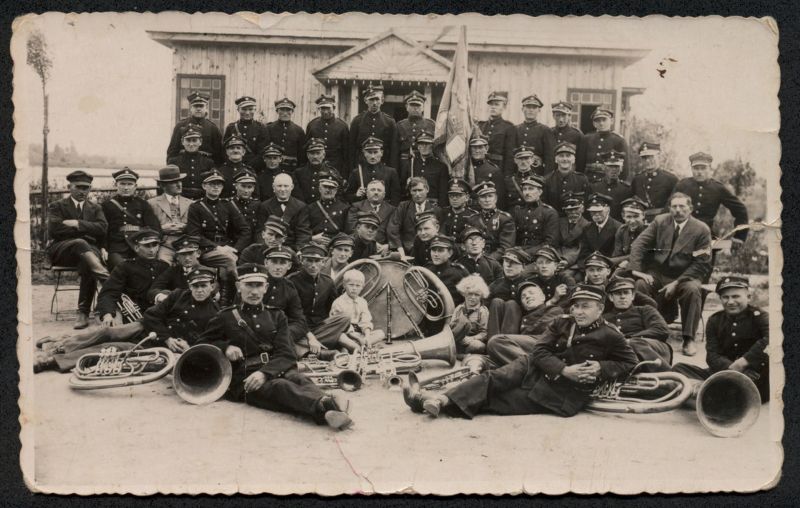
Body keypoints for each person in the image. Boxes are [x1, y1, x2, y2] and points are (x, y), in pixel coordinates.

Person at [411, 285, 638, 419]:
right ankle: (441, 398)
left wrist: (601, 367)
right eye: (576, 306)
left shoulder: (611, 334)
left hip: (560, 394)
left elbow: (630, 362)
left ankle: (430, 401)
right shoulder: (562, 322)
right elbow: (539, 350)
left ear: (600, 309)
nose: (578, 312)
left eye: (586, 306)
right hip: (534, 366)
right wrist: (564, 369)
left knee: (499, 402)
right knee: (495, 378)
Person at [200, 263, 353, 430]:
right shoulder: (226, 317)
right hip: (246, 378)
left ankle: (325, 409)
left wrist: (265, 373)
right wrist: (226, 347)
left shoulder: (277, 315)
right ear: (238, 286)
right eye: (249, 285)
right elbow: (201, 344)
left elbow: (287, 353)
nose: (254, 291)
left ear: (265, 288)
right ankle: (327, 405)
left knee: (299, 379)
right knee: (281, 386)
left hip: (277, 367)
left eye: (259, 285)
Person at [35, 267, 219, 373]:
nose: (199, 290)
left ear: (212, 287)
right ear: (190, 286)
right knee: (107, 331)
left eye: (204, 286)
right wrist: (167, 337)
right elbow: (151, 315)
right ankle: (61, 345)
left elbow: (207, 344)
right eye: (195, 286)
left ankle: (52, 361)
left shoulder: (216, 314)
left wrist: (187, 347)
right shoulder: (178, 295)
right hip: (146, 327)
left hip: (157, 346)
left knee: (110, 349)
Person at [628, 192, 712, 356]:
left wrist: (676, 282)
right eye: (674, 206)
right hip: (659, 272)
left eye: (682, 206)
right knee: (641, 284)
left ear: (690, 208)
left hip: (686, 275)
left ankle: (688, 338)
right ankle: (644, 331)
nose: (678, 210)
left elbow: (701, 263)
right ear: (669, 208)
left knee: (692, 290)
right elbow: (639, 244)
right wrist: (636, 270)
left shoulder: (701, 229)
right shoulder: (660, 221)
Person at [672, 275, 769, 402]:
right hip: (724, 372)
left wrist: (743, 362)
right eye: (725, 297)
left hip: (754, 376)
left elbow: (772, 340)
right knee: (678, 370)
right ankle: (713, 393)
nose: (730, 302)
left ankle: (706, 393)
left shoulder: (760, 317)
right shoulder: (714, 320)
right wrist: (733, 370)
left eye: (736, 296)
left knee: (761, 383)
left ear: (748, 297)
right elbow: (712, 355)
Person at [46, 170, 110, 329]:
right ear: (70, 187)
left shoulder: (95, 208)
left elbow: (103, 228)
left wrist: (77, 224)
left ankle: (83, 312)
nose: (82, 191)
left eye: (86, 188)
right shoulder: (57, 206)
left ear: (90, 188)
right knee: (81, 243)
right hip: (63, 250)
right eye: (78, 187)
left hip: (87, 252)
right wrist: (88, 230)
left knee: (87, 261)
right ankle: (107, 280)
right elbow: (55, 230)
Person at [185, 169, 251, 305]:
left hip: (228, 249)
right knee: (229, 261)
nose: (216, 187)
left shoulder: (227, 205)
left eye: (219, 184)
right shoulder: (196, 207)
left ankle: (225, 301)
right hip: (206, 250)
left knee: (229, 264)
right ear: (204, 186)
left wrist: (235, 249)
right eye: (212, 184)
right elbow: (194, 235)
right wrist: (217, 248)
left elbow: (245, 229)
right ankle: (241, 295)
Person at [286, 244, 353, 357]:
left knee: (345, 318)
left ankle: (309, 347)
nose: (313, 265)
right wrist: (310, 336)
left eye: (317, 261)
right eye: (309, 260)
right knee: (286, 334)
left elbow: (331, 308)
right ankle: (324, 349)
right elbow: (291, 314)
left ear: (323, 262)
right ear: (302, 260)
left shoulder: (328, 282)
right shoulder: (291, 281)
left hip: (320, 326)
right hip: (298, 327)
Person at [95, 228, 169, 327]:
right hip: (134, 318)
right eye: (147, 246)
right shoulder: (125, 267)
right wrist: (107, 313)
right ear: (136, 248)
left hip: (160, 315)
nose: (151, 250)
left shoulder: (164, 267)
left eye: (155, 245)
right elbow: (109, 292)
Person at [674, 151, 749, 247]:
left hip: (706, 235)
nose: (699, 172)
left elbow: (740, 210)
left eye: (703, 168)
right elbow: (668, 209)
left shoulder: (718, 188)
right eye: (696, 168)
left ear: (709, 168)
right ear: (691, 169)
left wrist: (739, 237)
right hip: (682, 235)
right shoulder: (682, 185)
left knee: (709, 255)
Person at [484, 280, 564, 366]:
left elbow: (543, 327)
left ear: (543, 297)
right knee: (487, 356)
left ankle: (535, 367)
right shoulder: (523, 317)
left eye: (531, 293)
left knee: (496, 341)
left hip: (543, 343)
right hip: (526, 348)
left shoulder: (554, 309)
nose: (527, 296)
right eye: (523, 296)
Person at [604, 277, 672, 371]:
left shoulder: (645, 310)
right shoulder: (604, 318)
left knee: (633, 343)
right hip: (622, 353)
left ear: (632, 296)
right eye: (618, 293)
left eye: (626, 293)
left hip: (652, 348)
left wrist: (629, 339)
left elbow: (661, 330)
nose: (622, 297)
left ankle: (668, 375)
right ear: (611, 297)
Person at [101, 167, 161, 271]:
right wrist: (103, 247)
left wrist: (149, 245)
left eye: (130, 184)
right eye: (122, 184)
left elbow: (154, 228)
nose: (126, 188)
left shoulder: (143, 204)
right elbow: (103, 230)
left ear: (135, 186)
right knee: (121, 268)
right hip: (117, 248)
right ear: (115, 185)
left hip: (139, 247)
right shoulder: (107, 205)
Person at [148, 165, 194, 265]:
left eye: (180, 181)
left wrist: (185, 227)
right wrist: (161, 228)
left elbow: (196, 227)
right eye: (174, 182)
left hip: (187, 244)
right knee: (163, 264)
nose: (179, 185)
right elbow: (147, 228)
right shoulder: (152, 203)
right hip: (165, 245)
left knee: (194, 266)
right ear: (163, 185)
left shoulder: (190, 203)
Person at [329, 269, 381, 352]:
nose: (354, 288)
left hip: (359, 333)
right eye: (351, 285)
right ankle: (361, 349)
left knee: (380, 333)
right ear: (344, 285)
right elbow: (340, 327)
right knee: (340, 338)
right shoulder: (338, 302)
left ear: (362, 286)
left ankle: (353, 347)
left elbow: (365, 321)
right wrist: (358, 338)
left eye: (358, 286)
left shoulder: (362, 302)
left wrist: (367, 336)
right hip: (345, 333)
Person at [256, 172, 311, 251]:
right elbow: (260, 232)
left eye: (286, 186)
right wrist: (264, 249)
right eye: (279, 186)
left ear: (292, 187)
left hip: (292, 249)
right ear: (273, 187)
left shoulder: (301, 206)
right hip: (270, 248)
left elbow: (303, 233)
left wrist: (299, 251)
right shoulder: (265, 206)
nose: (282, 189)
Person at [349, 85, 399, 170]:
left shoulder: (389, 122)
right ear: (366, 100)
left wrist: (392, 170)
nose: (374, 103)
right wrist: (352, 169)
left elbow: (393, 149)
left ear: (382, 101)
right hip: (362, 166)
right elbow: (351, 147)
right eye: (371, 100)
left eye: (377, 99)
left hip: (383, 166)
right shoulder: (357, 121)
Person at [166, 91, 223, 164]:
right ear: (191, 108)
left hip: (206, 167)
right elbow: (172, 152)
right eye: (195, 106)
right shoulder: (180, 126)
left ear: (206, 108)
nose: (198, 109)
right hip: (184, 165)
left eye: (201, 106)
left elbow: (219, 154)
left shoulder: (213, 128)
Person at [387, 177, 439, 254]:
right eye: (414, 191)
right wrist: (399, 248)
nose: (417, 194)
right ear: (410, 191)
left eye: (420, 190)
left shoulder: (436, 210)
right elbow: (393, 228)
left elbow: (439, 232)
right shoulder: (403, 207)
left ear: (427, 189)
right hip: (405, 250)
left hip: (429, 250)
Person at [512, 174, 559, 260]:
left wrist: (526, 253)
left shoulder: (549, 212)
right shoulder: (518, 211)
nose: (527, 192)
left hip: (539, 256)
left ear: (540, 192)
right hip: (517, 254)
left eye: (531, 189)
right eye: (525, 189)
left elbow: (550, 243)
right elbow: (513, 237)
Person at [486, 247, 531, 338]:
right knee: (496, 302)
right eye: (506, 261)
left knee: (512, 304)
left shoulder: (528, 286)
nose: (508, 266)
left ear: (523, 267)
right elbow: (484, 307)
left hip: (520, 330)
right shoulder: (495, 285)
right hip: (495, 327)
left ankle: (506, 343)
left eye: (514, 262)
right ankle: (492, 341)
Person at [467, 181, 516, 262]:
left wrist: (486, 261)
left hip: (496, 261)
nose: (487, 200)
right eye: (483, 197)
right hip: (475, 258)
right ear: (478, 200)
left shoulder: (504, 219)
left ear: (496, 199)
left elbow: (506, 247)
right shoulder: (473, 219)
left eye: (490, 196)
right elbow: (468, 244)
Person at [575, 105, 629, 179]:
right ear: (594, 123)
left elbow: (624, 170)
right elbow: (580, 165)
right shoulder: (586, 139)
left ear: (611, 121)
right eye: (598, 120)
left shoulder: (619, 141)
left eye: (604, 120)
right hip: (588, 181)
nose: (601, 123)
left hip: (608, 182)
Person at [148, 235, 204, 305]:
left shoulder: (207, 272)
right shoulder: (173, 270)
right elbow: (153, 290)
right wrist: (162, 296)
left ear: (198, 253)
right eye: (183, 254)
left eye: (190, 253)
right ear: (177, 257)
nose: (187, 258)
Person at [346, 136, 401, 206]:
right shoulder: (356, 173)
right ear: (364, 153)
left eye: (375, 152)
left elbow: (396, 197)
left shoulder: (391, 172)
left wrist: (389, 210)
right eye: (369, 152)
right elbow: (348, 196)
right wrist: (356, 195)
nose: (372, 156)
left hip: (385, 210)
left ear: (381, 153)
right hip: (363, 210)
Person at [305, 94, 350, 177]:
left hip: (336, 167)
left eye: (328, 108)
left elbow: (346, 152)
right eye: (323, 108)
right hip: (316, 166)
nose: (325, 111)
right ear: (319, 109)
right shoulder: (312, 125)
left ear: (334, 108)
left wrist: (344, 173)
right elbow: (306, 148)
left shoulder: (342, 126)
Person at [509, 94, 555, 176]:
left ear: (539, 110)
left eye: (534, 108)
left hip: (537, 172)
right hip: (517, 173)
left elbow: (550, 158)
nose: (531, 110)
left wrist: (546, 178)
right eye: (528, 107)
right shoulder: (515, 129)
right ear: (522, 109)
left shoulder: (545, 130)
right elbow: (510, 155)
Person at [631, 142, 679, 220]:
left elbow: (675, 203)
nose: (648, 161)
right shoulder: (637, 179)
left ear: (659, 157)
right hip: (641, 220)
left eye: (651, 157)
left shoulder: (671, 179)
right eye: (644, 158)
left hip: (664, 220)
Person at [397, 91, 436, 185]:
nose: (415, 108)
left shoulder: (431, 124)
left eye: (418, 105)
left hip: (424, 162)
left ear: (423, 107)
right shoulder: (400, 125)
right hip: (404, 163)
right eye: (412, 105)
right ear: (407, 107)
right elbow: (395, 149)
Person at [299, 175, 350, 246]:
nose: (328, 190)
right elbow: (303, 230)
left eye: (332, 188)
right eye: (325, 187)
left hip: (336, 245)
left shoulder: (344, 208)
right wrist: (312, 238)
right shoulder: (310, 208)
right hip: (314, 244)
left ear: (336, 190)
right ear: (320, 189)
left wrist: (336, 241)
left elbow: (348, 232)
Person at [400, 130, 448, 205]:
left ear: (432, 146)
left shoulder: (441, 167)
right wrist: (407, 185)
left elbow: (443, 194)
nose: (424, 147)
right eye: (421, 144)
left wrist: (440, 209)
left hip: (432, 205)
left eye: (427, 144)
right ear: (418, 147)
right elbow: (402, 190)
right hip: (413, 205)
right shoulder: (410, 164)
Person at [167, 127, 216, 200]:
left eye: (194, 140)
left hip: (201, 200)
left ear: (200, 142)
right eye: (188, 140)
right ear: (182, 142)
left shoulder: (208, 162)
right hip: (180, 200)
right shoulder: (174, 162)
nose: (191, 144)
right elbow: (168, 186)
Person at [542, 142, 591, 214]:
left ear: (573, 160)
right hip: (554, 219)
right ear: (556, 160)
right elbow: (544, 206)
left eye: (568, 156)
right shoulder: (547, 180)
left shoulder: (582, 179)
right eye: (561, 156)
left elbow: (587, 202)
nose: (565, 159)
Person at [293, 138, 344, 205]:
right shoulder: (298, 173)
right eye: (312, 153)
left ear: (324, 155)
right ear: (307, 155)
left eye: (318, 153)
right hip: (303, 208)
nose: (315, 156)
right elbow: (297, 196)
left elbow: (338, 194)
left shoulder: (332, 173)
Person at [223, 95, 268, 171]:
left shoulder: (261, 128)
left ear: (255, 110)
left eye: (250, 109)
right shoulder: (231, 128)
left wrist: (249, 167)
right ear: (238, 110)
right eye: (244, 109)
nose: (247, 112)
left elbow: (262, 153)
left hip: (254, 169)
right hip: (233, 167)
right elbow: (225, 150)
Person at [345, 179, 395, 245]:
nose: (376, 192)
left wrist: (388, 245)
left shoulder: (391, 209)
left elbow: (393, 231)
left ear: (384, 194)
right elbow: (351, 229)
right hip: (360, 245)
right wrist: (371, 243)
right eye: (373, 190)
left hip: (382, 246)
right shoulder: (356, 207)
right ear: (367, 193)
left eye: (379, 190)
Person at [450, 275, 491, 354]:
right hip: (458, 340)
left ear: (481, 296)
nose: (473, 297)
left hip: (472, 341)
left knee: (478, 346)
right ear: (464, 294)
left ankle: (460, 355)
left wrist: (471, 338)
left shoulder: (482, 311)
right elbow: (452, 327)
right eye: (470, 294)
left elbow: (484, 333)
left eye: (477, 295)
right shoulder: (459, 308)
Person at [476, 91, 515, 173]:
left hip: (498, 168)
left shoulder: (508, 127)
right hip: (479, 167)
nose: (493, 107)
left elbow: (509, 155)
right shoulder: (480, 125)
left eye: (497, 104)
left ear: (504, 107)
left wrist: (507, 174)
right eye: (491, 104)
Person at [578, 193, 622, 265]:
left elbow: (617, 255)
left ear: (608, 209)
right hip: (589, 265)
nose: (596, 214)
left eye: (599, 211)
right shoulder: (587, 227)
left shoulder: (618, 228)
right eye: (593, 211)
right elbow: (583, 253)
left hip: (609, 265)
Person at [425, 235, 469, 305]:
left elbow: (469, 297)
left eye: (440, 250)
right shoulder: (426, 269)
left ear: (450, 253)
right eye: (433, 250)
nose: (436, 254)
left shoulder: (459, 272)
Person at [265, 97, 306, 173]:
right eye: (282, 110)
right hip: (272, 168)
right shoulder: (269, 128)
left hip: (292, 169)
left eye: (288, 110)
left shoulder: (298, 130)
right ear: (277, 111)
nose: (285, 113)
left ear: (292, 111)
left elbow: (302, 154)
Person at [591, 150, 633, 221]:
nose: (613, 170)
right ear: (604, 167)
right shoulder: (594, 187)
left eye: (616, 166)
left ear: (621, 168)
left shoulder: (626, 189)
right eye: (610, 166)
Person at [469, 135, 507, 209]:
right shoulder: (464, 168)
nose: (477, 151)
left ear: (486, 149)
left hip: (484, 210)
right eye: (474, 147)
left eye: (480, 147)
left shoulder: (493, 170)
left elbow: (499, 199)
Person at [610, 196, 649, 269]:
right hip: (624, 267)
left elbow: (645, 256)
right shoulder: (622, 230)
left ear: (643, 215)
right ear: (623, 216)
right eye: (628, 217)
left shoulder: (649, 231)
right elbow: (617, 255)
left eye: (636, 216)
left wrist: (627, 262)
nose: (632, 221)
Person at [436, 178, 478, 243]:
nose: (454, 199)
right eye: (451, 196)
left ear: (467, 197)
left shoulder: (472, 215)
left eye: (458, 196)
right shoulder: (443, 212)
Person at [557, 193, 590, 274]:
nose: (573, 212)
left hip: (574, 261)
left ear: (582, 209)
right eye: (569, 210)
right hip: (557, 256)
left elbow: (581, 248)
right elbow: (554, 242)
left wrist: (567, 260)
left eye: (576, 209)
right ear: (565, 210)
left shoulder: (588, 225)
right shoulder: (559, 222)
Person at [504, 145, 542, 209]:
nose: (523, 162)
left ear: (532, 160)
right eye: (520, 159)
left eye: (526, 158)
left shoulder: (539, 180)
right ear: (515, 160)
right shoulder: (508, 181)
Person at [229, 170, 260, 244]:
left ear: (253, 188)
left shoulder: (257, 205)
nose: (246, 190)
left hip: (252, 245)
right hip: (232, 244)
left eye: (249, 187)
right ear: (236, 186)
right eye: (243, 186)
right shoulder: (228, 204)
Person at [218, 135, 254, 199]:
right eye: (232, 148)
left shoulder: (250, 171)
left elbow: (255, 196)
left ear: (243, 152)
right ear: (227, 152)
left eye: (238, 148)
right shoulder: (220, 171)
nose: (235, 150)